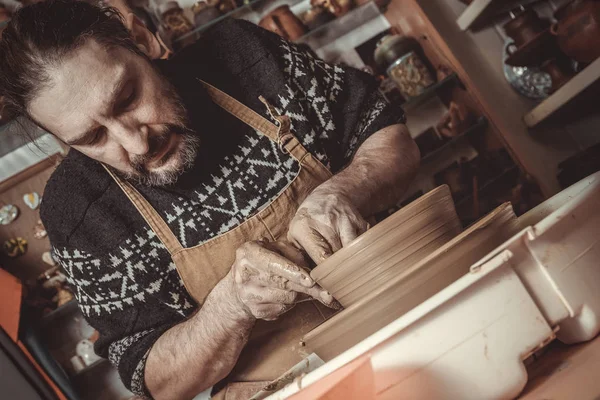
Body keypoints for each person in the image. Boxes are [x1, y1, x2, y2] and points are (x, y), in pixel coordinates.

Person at [0, 1, 419, 399]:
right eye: (94, 138)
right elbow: (157, 382)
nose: (136, 142)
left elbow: (386, 134)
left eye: (127, 98)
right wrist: (231, 306)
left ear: (143, 41)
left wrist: (347, 189)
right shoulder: (76, 211)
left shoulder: (245, 56)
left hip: (413, 309)